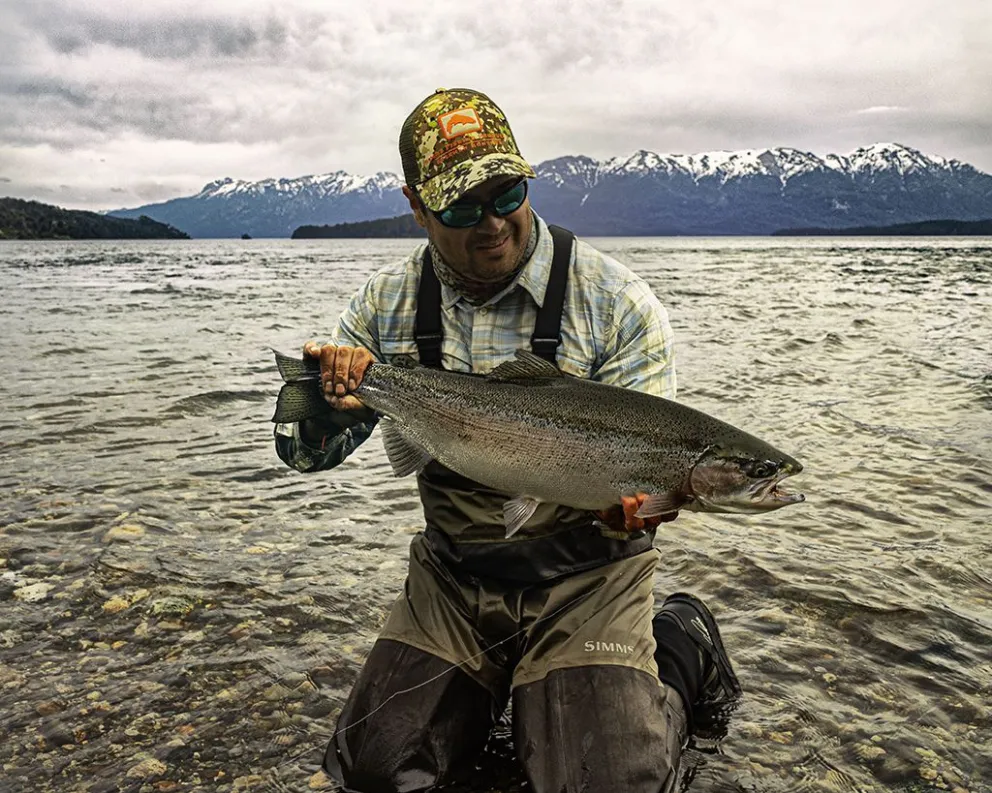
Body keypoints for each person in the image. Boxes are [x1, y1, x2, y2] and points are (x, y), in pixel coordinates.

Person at [274, 88, 742, 793]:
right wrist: (332, 403)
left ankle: (678, 646)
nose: (491, 222)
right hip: (454, 577)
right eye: (462, 206)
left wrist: (638, 508)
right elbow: (304, 455)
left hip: (587, 575)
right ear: (417, 206)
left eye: (507, 193)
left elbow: (653, 466)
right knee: (374, 772)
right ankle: (504, 691)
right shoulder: (383, 305)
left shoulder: (615, 304)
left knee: (605, 784)